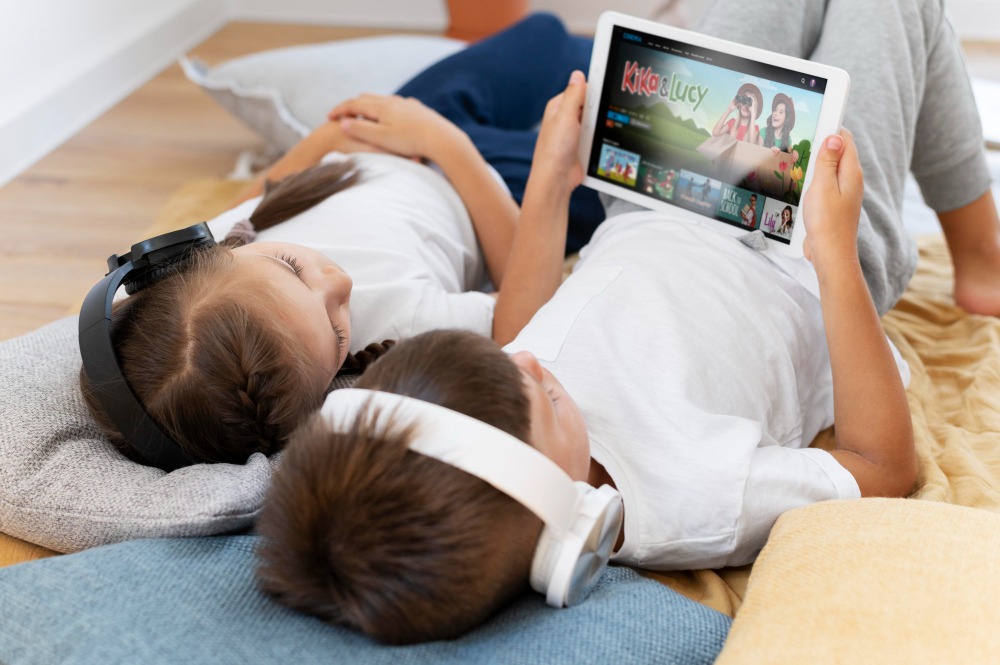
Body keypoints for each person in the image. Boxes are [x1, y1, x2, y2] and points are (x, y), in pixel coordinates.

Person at [254, 0, 1000, 644]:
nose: (535, 365)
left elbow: (524, 327)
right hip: (809, 254)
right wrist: (835, 254)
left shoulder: (501, 403)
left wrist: (549, 185)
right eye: (543, 399)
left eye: (511, 365)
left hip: (664, 192)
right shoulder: (697, 499)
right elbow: (879, 466)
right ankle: (981, 257)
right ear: (565, 532)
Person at [79, 14, 602, 467]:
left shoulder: (219, 247)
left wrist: (336, 136)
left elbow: (270, 188)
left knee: (543, 35)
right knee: (592, 130)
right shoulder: (401, 329)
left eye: (290, 266)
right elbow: (523, 314)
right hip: (488, 185)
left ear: (208, 253)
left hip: (397, 138)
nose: (340, 282)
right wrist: (450, 146)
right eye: (337, 332)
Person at [757, 92, 800, 164]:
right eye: (775, 110)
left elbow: (790, 159)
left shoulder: (788, 139)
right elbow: (756, 157)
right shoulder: (763, 132)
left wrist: (794, 153)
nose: (775, 113)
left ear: (786, 119)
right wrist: (769, 152)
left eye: (781, 112)